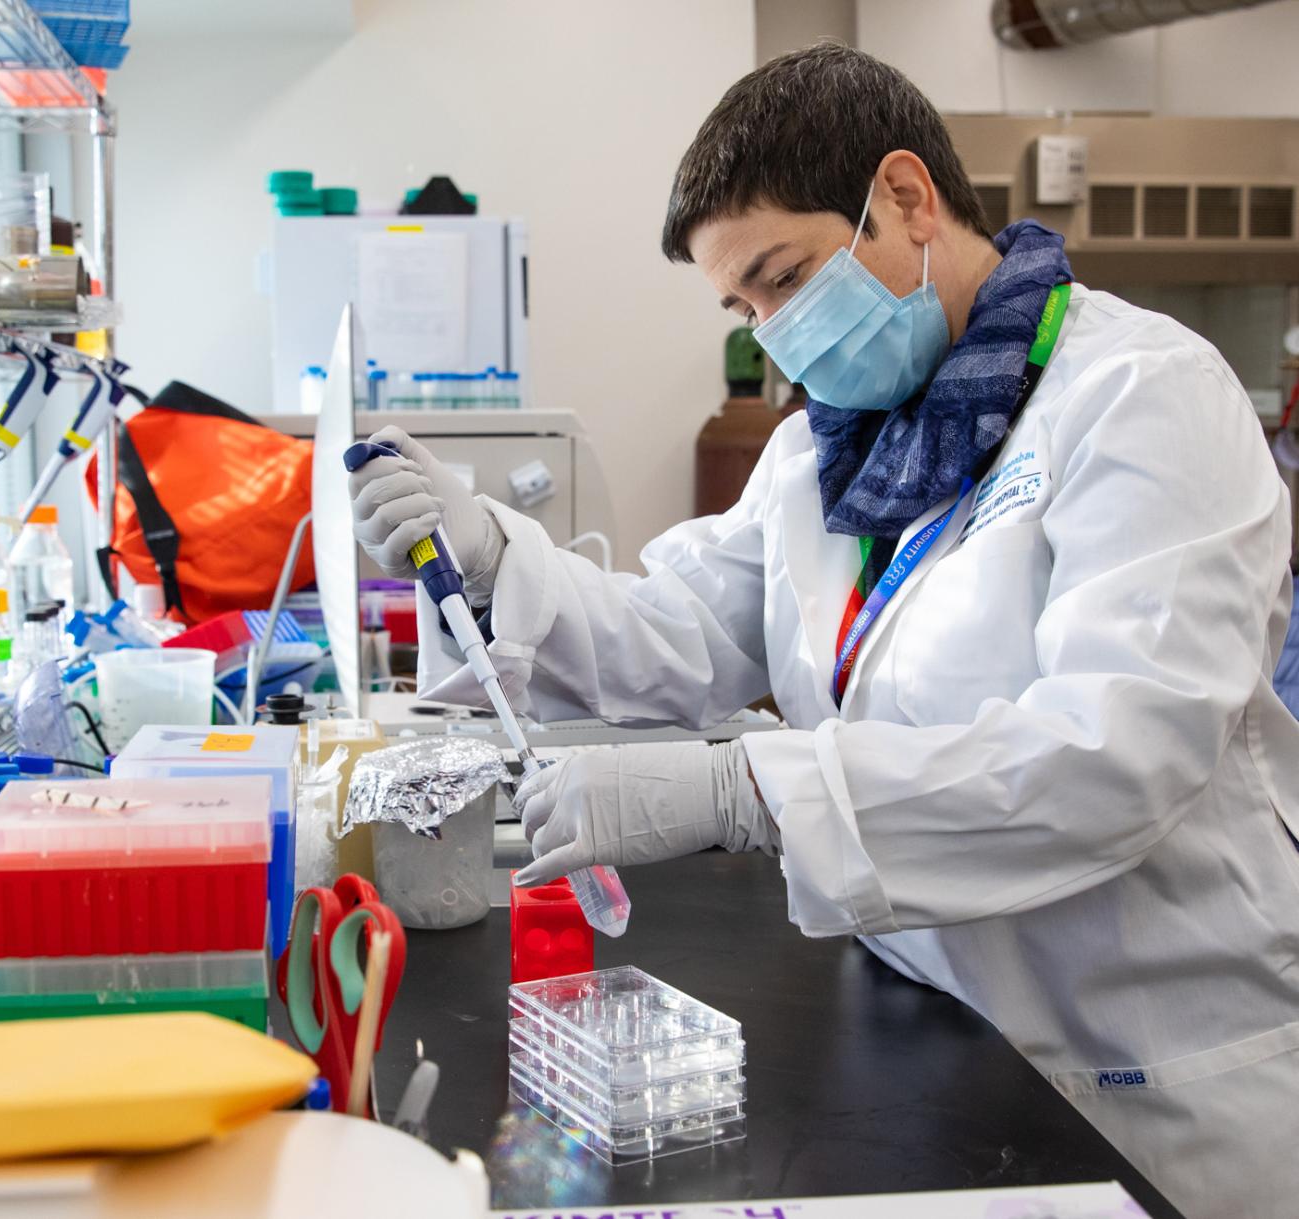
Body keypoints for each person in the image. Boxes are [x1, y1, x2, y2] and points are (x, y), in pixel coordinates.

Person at [351, 45, 1298, 1219]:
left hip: (1153, 1075)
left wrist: (746, 789)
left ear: (904, 199)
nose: (771, 332)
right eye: (741, 308)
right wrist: (496, 556)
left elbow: (1112, 754)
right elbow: (681, 631)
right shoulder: (822, 451)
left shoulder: (1141, 395)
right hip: (935, 1033)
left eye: (782, 277)